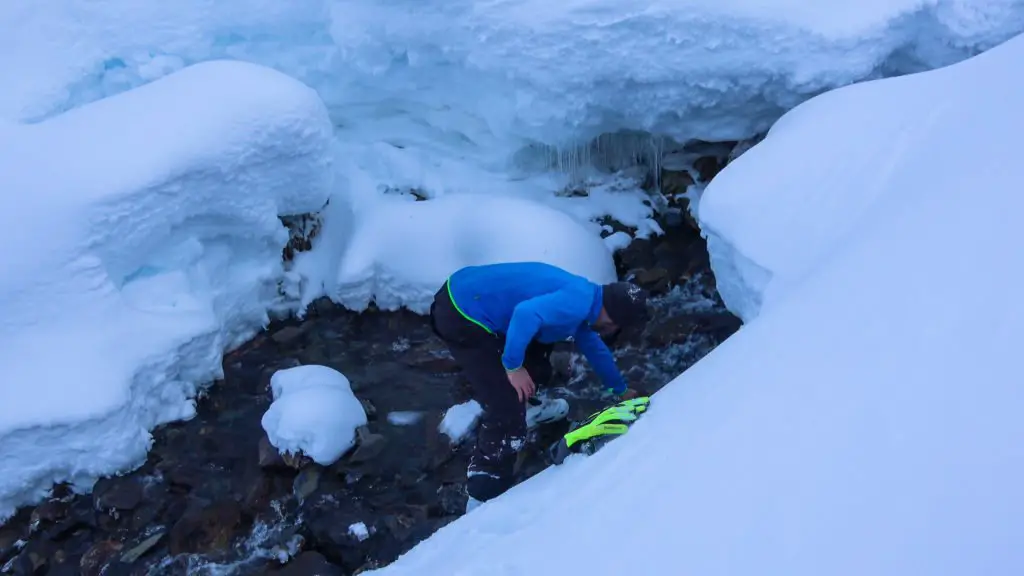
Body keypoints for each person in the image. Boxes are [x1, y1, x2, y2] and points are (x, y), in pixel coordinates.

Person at [428, 261, 651, 508]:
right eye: (618, 326)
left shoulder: (587, 298)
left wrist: (620, 391)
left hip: (470, 292)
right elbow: (525, 314)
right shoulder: (576, 303)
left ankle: (528, 407)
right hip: (461, 311)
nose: (613, 331)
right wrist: (512, 367)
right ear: (613, 318)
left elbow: (595, 349)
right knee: (506, 406)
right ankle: (482, 490)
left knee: (540, 360)